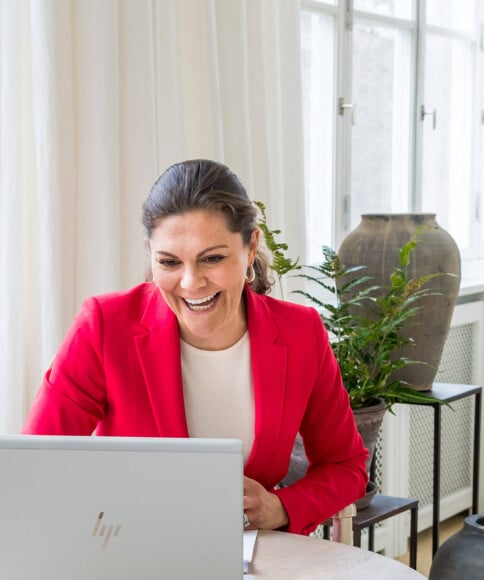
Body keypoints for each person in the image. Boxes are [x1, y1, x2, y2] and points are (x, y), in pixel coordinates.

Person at [22, 159, 368, 535]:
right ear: (150, 253)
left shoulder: (301, 333)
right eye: (169, 262)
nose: (191, 283)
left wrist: (281, 507)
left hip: (258, 557)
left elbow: (346, 465)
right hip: (130, 552)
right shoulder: (104, 326)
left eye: (213, 258)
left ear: (251, 247)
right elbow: (38, 465)